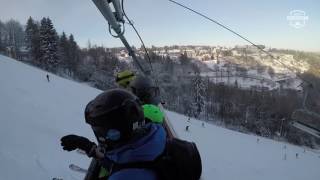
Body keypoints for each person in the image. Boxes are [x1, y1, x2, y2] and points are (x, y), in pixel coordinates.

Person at [60, 89, 166, 180]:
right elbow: (125, 163)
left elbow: (126, 168)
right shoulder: (153, 145)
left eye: (102, 129)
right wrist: (88, 147)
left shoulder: (125, 176)